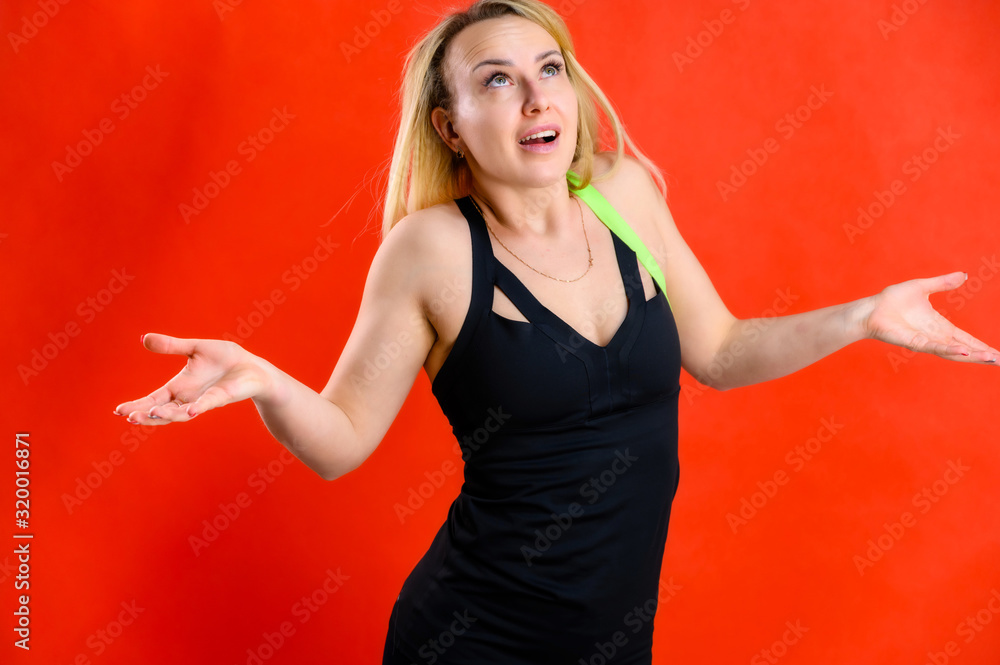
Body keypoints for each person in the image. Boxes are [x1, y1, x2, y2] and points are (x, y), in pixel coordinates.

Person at [113, 1, 997, 662]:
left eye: (550, 68)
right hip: (473, 635)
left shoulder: (625, 193)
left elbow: (722, 352)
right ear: (450, 126)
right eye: (497, 79)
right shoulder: (430, 250)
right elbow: (342, 442)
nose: (538, 97)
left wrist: (864, 316)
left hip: (614, 639)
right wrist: (264, 380)